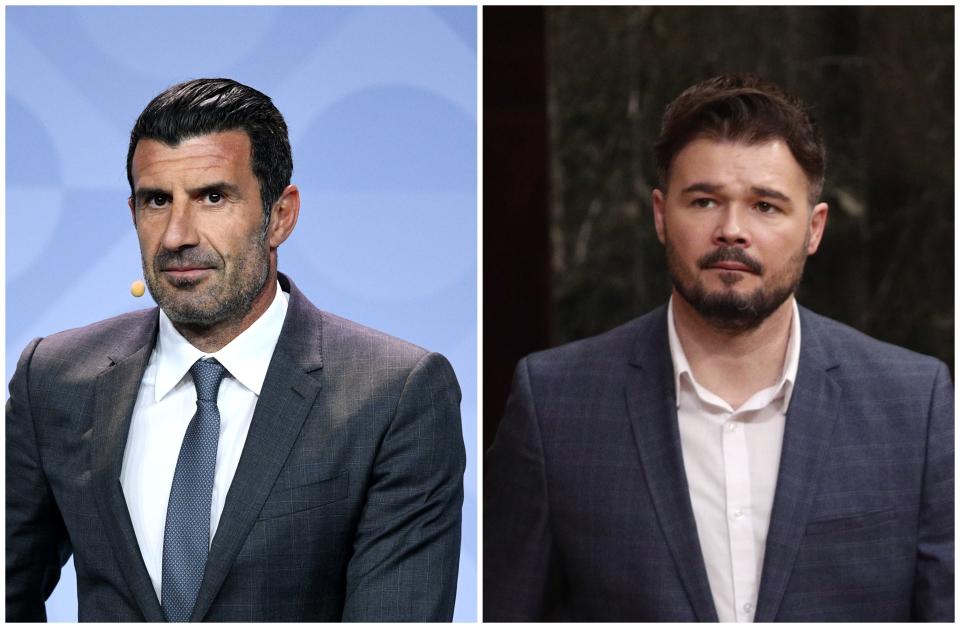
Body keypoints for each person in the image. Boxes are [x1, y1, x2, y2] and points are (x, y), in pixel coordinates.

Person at [484, 74, 953, 622]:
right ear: (661, 215)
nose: (732, 230)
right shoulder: (556, 404)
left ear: (814, 228)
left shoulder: (912, 402)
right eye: (704, 201)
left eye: (766, 206)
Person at [6, 78, 465, 622]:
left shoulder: (394, 393)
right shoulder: (54, 378)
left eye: (213, 197)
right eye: (157, 201)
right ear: (133, 214)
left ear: (280, 215)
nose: (177, 235)